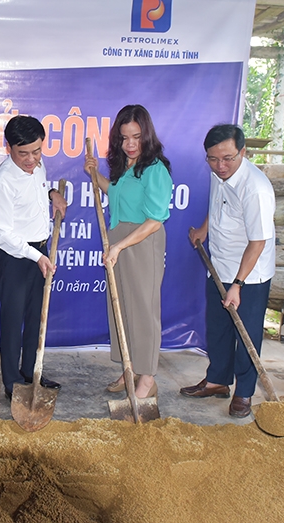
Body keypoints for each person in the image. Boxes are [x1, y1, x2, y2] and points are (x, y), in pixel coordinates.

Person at [180, 124, 275, 418]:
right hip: (219, 264)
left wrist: (238, 284)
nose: (220, 166)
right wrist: (204, 230)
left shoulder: (255, 189)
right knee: (218, 328)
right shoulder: (218, 172)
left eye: (228, 159)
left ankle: (244, 392)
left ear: (243, 153)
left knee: (245, 334)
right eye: (213, 159)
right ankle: (218, 380)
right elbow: (217, 204)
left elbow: (258, 242)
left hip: (249, 275)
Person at [83, 104, 172, 400]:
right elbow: (116, 194)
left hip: (142, 241)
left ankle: (147, 377)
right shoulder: (126, 168)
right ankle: (129, 367)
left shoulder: (155, 169)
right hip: (119, 235)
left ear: (147, 136)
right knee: (120, 307)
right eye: (124, 138)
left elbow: (155, 220)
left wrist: (120, 246)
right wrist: (95, 175)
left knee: (143, 309)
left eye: (136, 137)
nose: (130, 144)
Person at [0, 115, 67, 399]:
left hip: (40, 251)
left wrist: (53, 193)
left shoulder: (37, 165)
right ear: (9, 148)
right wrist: (35, 256)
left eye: (37, 151)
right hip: (17, 258)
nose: (32, 159)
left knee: (36, 317)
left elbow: (38, 189)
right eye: (24, 154)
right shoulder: (2, 181)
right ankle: (12, 382)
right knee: (12, 321)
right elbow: (2, 233)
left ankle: (32, 372)